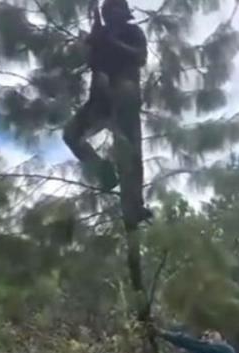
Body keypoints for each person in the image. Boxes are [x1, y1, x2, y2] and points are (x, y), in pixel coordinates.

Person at [63, 0, 151, 228]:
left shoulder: (133, 32)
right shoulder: (100, 33)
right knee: (71, 134)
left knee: (131, 150)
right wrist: (92, 40)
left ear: (123, 14)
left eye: (114, 11)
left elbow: (140, 56)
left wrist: (113, 42)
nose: (110, 15)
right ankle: (104, 172)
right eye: (107, 12)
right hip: (99, 101)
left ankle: (134, 204)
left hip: (125, 99)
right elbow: (88, 57)